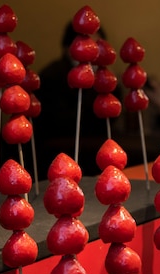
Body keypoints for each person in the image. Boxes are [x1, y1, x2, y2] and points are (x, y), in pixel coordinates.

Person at [32, 22, 117, 178]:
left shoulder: (101, 76)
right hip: (58, 154)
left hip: (95, 150)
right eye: (88, 45)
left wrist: (106, 82)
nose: (93, 51)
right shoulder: (53, 76)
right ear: (69, 47)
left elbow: (112, 116)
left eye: (97, 45)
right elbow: (60, 123)